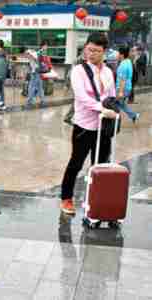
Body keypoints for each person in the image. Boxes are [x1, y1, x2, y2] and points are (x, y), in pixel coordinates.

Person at [60, 32, 118, 215]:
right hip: (84, 125)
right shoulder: (78, 71)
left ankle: (96, 198)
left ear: (104, 52)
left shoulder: (108, 72)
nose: (91, 54)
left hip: (104, 126)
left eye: (96, 51)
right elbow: (82, 97)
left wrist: (114, 108)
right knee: (76, 163)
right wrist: (101, 108)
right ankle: (66, 198)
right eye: (89, 49)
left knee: (100, 164)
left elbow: (111, 94)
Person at [115, 46, 139, 123]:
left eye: (118, 53)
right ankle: (134, 115)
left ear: (121, 55)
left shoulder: (123, 65)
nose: (116, 55)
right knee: (120, 104)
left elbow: (123, 79)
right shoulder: (128, 61)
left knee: (115, 104)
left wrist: (120, 92)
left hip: (122, 88)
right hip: (127, 87)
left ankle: (114, 120)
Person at [25, 42, 47, 106]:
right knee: (36, 87)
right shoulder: (38, 53)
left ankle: (32, 100)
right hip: (36, 72)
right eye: (45, 46)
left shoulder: (37, 53)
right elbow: (38, 60)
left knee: (35, 86)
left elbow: (39, 61)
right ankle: (37, 100)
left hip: (36, 72)